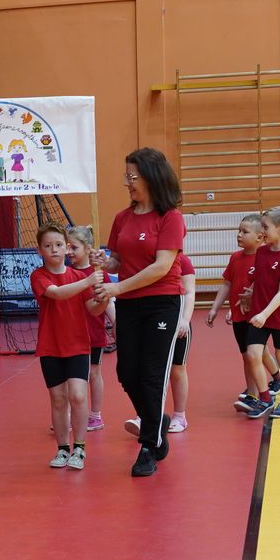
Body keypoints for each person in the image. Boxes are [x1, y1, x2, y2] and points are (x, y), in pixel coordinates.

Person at [105, 148, 187, 477]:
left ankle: (150, 445)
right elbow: (116, 261)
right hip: (129, 304)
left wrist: (117, 289)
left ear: (151, 177)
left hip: (161, 303)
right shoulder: (123, 218)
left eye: (132, 176)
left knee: (152, 375)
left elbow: (161, 267)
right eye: (126, 176)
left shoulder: (170, 217)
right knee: (127, 373)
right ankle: (156, 421)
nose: (127, 182)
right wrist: (103, 262)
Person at [31, 224, 106, 470]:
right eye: (48, 246)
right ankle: (63, 448)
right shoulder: (38, 276)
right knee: (58, 399)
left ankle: (80, 448)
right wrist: (88, 281)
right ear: (39, 250)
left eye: (59, 245)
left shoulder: (79, 277)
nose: (54, 249)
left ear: (66, 248)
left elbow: (93, 309)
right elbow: (57, 293)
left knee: (78, 395)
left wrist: (103, 297)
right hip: (50, 346)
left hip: (78, 345)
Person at [211, 216, 280, 407]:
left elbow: (266, 286)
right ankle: (269, 382)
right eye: (239, 231)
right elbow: (228, 284)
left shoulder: (264, 257)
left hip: (256, 315)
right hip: (238, 315)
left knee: (255, 353)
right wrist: (216, 307)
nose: (239, 235)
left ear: (259, 237)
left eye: (245, 232)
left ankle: (256, 392)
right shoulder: (235, 257)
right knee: (248, 354)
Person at [241, 206, 280, 420]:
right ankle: (265, 398)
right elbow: (260, 279)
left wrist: (265, 314)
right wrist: (249, 295)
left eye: (265, 227)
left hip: (278, 316)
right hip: (259, 314)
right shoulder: (262, 252)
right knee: (252, 354)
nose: (262, 231)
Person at [128, 251, 195, 435]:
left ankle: (180, 416)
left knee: (176, 369)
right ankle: (147, 416)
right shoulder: (148, 260)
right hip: (153, 321)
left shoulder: (182, 260)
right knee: (150, 369)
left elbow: (190, 292)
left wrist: (185, 319)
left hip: (178, 322)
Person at [65, 226, 111, 431]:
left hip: (93, 332)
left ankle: (95, 415)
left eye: (73, 247)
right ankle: (68, 415)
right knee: (71, 377)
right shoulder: (67, 272)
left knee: (93, 373)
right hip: (72, 333)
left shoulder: (98, 274)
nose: (69, 252)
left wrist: (117, 323)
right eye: (67, 247)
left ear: (87, 248)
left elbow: (109, 302)